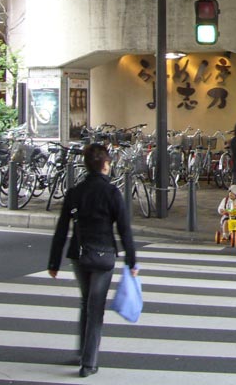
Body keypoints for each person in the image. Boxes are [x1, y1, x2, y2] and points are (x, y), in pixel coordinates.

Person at [48, 144, 138, 378]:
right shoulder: (112, 193)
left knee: (85, 303)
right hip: (104, 255)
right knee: (95, 308)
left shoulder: (75, 192)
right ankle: (89, 363)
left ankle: (81, 353)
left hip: (79, 254)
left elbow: (61, 230)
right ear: (105, 165)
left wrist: (54, 261)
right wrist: (131, 259)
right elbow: (124, 228)